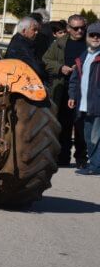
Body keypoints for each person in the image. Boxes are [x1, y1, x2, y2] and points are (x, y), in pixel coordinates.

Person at [44, 14, 88, 167]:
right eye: (76, 28)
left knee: (81, 125)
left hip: (83, 90)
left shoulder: (90, 43)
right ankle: (63, 157)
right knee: (64, 124)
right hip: (62, 88)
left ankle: (82, 159)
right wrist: (60, 68)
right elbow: (46, 60)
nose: (80, 31)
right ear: (69, 29)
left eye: (83, 28)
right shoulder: (59, 43)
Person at [67, 22, 100, 175]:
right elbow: (75, 78)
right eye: (92, 35)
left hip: (97, 104)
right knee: (88, 136)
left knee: (94, 137)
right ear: (87, 37)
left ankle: (95, 166)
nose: (95, 38)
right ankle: (94, 164)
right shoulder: (84, 55)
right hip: (84, 104)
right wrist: (72, 96)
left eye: (99, 36)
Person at [4, 17, 48, 82]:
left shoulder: (18, 39)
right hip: (21, 81)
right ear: (24, 31)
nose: (36, 32)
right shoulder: (22, 45)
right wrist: (46, 75)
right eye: (34, 29)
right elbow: (35, 66)